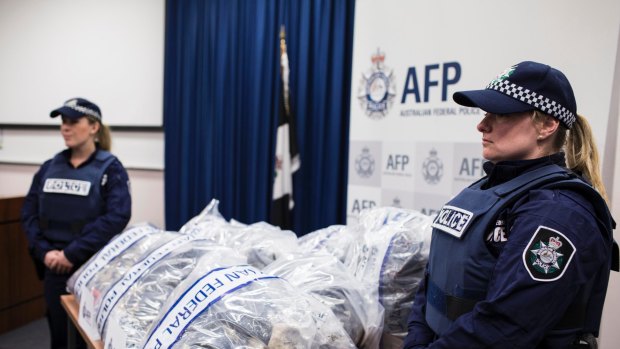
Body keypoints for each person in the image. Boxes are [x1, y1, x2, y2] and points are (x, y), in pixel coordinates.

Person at [403, 61, 618, 349]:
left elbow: (504, 328)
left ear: (547, 125)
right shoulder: (485, 188)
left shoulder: (560, 212)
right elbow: (432, 287)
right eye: (485, 113)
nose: (482, 124)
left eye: (500, 113)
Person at [21, 97, 132, 349]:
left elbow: (117, 216)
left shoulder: (110, 168)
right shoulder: (50, 166)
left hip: (93, 270)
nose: (65, 127)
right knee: (59, 334)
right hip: (54, 268)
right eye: (63, 122)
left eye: (73, 121)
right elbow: (28, 213)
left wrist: (71, 253)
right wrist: (45, 252)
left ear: (94, 127)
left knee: (90, 339)